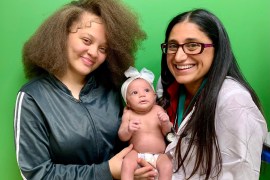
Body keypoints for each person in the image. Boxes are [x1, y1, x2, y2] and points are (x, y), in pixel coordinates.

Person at [13, 0, 157, 179]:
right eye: (87, 40)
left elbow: (125, 145)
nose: (94, 53)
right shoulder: (33, 97)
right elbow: (36, 173)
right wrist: (107, 171)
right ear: (62, 34)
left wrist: (138, 167)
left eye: (103, 48)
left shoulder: (111, 89)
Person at [157, 8, 268, 179]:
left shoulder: (234, 102)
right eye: (173, 46)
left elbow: (239, 174)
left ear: (217, 49)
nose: (178, 57)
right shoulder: (169, 87)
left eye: (192, 45)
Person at [118, 66, 173, 180]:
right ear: (127, 102)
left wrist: (166, 122)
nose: (142, 95)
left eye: (147, 90)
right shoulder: (128, 113)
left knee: (167, 166)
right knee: (127, 163)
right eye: (134, 92)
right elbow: (122, 136)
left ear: (154, 96)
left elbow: (167, 132)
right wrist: (128, 129)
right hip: (136, 154)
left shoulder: (158, 110)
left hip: (159, 155)